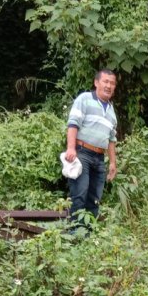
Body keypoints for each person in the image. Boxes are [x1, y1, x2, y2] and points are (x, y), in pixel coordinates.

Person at [64, 69, 119, 226]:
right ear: (96, 83)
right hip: (82, 154)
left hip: (99, 159)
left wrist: (113, 163)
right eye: (105, 81)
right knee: (80, 194)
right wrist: (71, 148)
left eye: (112, 83)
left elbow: (111, 139)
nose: (109, 86)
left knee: (95, 198)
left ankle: (88, 235)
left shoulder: (111, 111)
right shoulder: (84, 99)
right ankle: (74, 233)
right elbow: (73, 124)